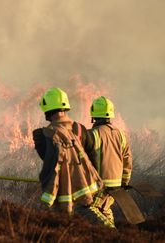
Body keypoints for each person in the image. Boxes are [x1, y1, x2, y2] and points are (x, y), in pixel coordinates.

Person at [32, 87, 104, 222]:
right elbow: (92, 156)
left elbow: (48, 160)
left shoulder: (45, 134)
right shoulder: (80, 129)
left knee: (63, 224)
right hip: (85, 190)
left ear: (48, 110)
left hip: (62, 192)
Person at [89, 96, 133, 228]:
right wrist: (124, 183)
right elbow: (127, 160)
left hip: (99, 186)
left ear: (93, 114)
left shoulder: (92, 134)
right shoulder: (121, 134)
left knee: (89, 209)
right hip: (116, 187)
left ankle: (110, 233)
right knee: (105, 210)